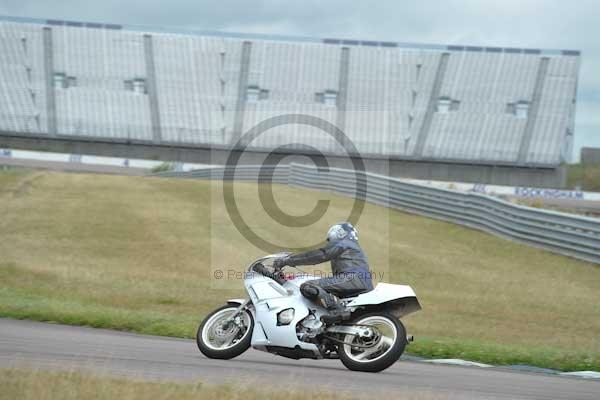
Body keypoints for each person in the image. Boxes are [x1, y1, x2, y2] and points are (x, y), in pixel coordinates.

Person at [273, 222, 373, 324]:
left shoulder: (344, 243)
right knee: (324, 291)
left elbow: (318, 255)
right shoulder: (353, 247)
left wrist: (287, 261)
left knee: (309, 286)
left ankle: (338, 310)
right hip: (358, 282)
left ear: (340, 233)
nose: (329, 243)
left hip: (352, 279)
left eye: (330, 240)